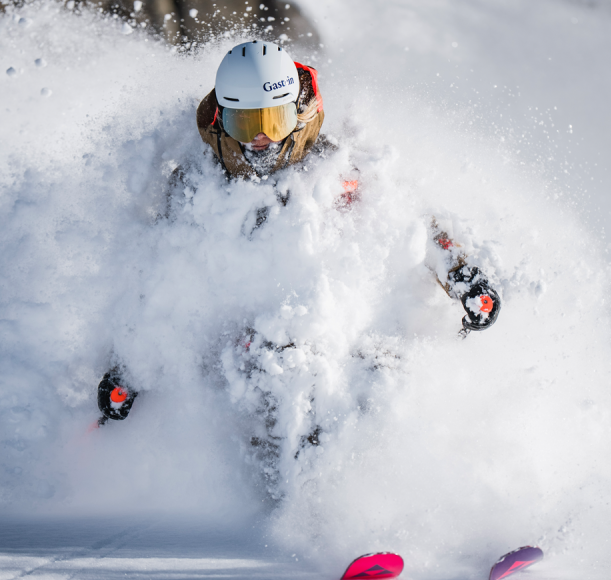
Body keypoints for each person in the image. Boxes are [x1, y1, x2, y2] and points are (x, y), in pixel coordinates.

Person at [95, 41, 500, 426]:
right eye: (246, 122)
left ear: (296, 112)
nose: (261, 138)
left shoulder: (334, 169)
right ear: (222, 118)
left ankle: (375, 463)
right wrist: (130, 366)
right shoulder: (198, 186)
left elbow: (408, 221)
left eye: (274, 120)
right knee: (275, 368)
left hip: (339, 332)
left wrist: (462, 275)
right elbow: (165, 272)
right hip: (247, 350)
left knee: (378, 371)